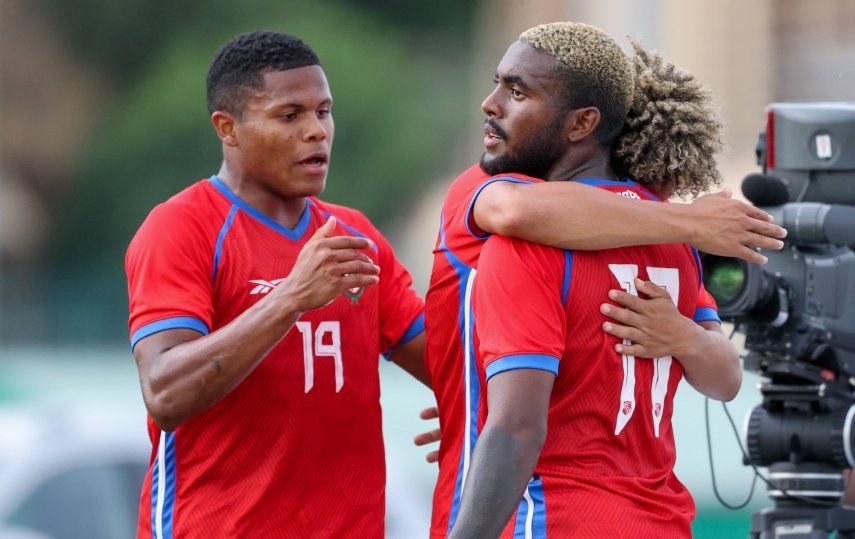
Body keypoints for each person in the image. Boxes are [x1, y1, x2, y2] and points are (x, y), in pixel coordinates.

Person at [424, 22, 772, 539]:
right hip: (661, 520)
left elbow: (518, 428)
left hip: (546, 517)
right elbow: (726, 379)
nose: (490, 103)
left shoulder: (516, 227)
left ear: (583, 123)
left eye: (517, 92)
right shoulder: (668, 235)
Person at [124, 31, 428, 538]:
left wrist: (482, 412)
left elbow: (452, 365)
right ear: (229, 128)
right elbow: (165, 393)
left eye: (324, 112)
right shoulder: (181, 227)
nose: (317, 132)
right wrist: (291, 297)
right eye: (290, 116)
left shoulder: (355, 236)